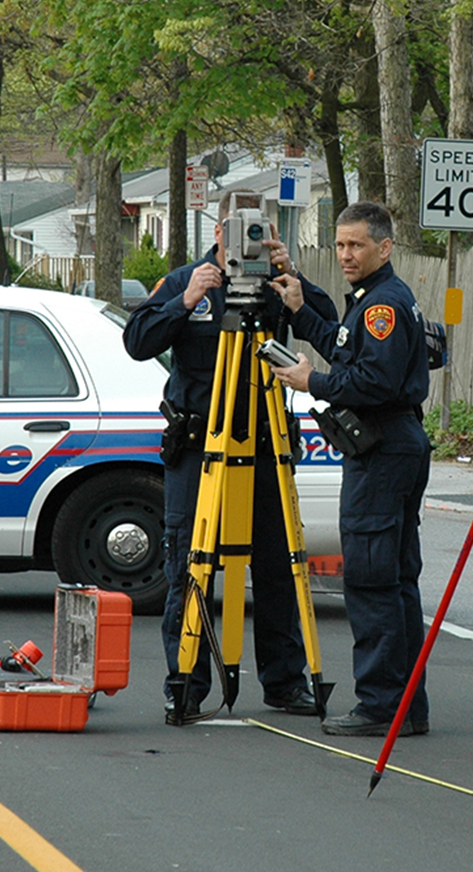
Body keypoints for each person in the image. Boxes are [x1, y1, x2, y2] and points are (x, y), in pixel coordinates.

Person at [123, 187, 338, 720]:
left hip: (264, 442)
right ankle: (187, 682)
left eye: (261, 232)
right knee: (189, 567)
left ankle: (284, 681)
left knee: (277, 564)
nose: (251, 242)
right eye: (242, 230)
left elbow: (335, 328)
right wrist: (186, 301)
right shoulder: (187, 280)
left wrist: (298, 282)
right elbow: (137, 339)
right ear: (218, 234)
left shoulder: (277, 284)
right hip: (201, 445)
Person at [270, 201, 432, 737]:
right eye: (340, 245)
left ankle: (382, 705)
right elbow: (347, 352)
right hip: (391, 444)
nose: (345, 255)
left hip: (383, 446)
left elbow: (371, 382)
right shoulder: (370, 301)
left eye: (356, 245)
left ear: (384, 247)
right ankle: (407, 704)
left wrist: (309, 383)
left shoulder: (384, 305)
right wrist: (299, 311)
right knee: (397, 578)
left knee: (371, 579)